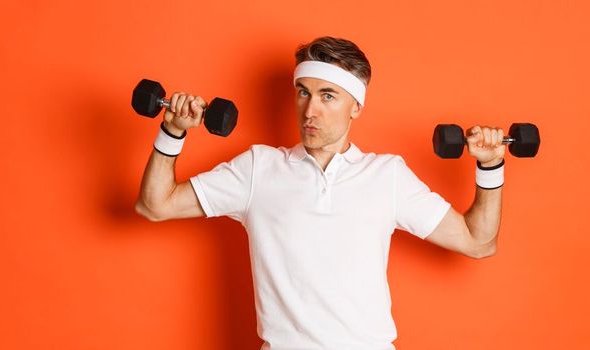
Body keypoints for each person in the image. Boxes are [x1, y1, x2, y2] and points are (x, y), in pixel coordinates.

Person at [135, 36, 506, 350]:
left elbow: (478, 242)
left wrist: (489, 166)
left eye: (328, 96)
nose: (310, 110)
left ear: (356, 106)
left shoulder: (387, 175)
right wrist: (173, 131)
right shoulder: (258, 169)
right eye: (303, 93)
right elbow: (155, 205)